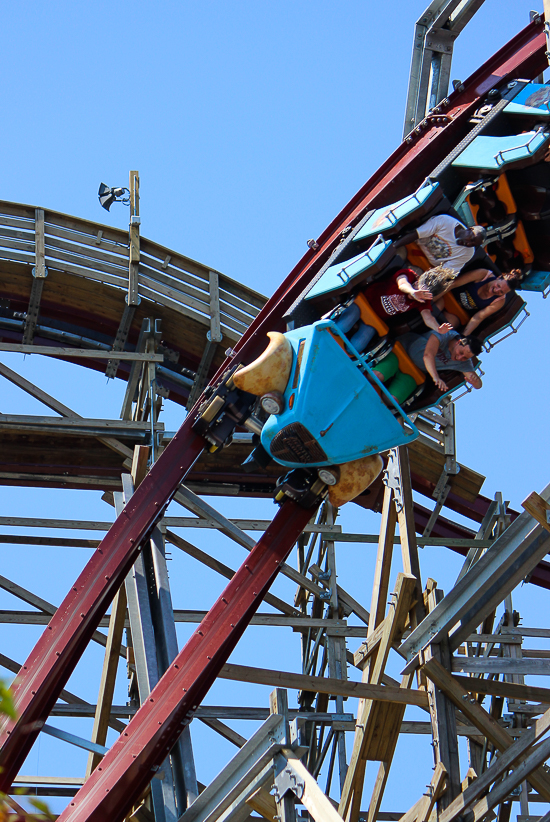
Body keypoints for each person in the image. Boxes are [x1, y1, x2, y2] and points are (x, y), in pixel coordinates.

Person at [334, 265, 454, 352]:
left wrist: (437, 328)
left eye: (423, 293)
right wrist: (413, 291)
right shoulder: (408, 274)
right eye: (418, 287)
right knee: (341, 327)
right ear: (418, 280)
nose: (419, 293)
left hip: (375, 319)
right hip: (364, 303)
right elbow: (402, 284)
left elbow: (427, 316)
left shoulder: (423, 300)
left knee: (356, 347)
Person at [373, 329, 482, 399]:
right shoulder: (445, 334)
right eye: (461, 353)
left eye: (465, 358)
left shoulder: (463, 362)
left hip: (413, 372)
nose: (459, 358)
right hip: (401, 354)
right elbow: (428, 355)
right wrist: (436, 378)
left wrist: (475, 382)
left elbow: (478, 384)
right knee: (375, 377)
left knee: (391, 400)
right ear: (459, 342)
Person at [436, 268, 522, 336]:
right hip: (446, 297)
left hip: (456, 313)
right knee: (436, 307)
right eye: (498, 285)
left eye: (501, 292)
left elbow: (478, 318)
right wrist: (433, 297)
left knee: (448, 325)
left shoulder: (499, 301)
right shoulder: (483, 275)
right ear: (498, 278)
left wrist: (463, 337)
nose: (496, 290)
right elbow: (453, 284)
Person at [394, 214, 487, 274]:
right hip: (412, 247)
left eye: (473, 244)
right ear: (470, 229)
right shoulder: (445, 221)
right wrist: (393, 247)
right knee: (396, 255)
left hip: (425, 267)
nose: (468, 243)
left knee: (411, 275)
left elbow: (443, 272)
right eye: (471, 239)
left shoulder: (468, 253)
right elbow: (416, 234)